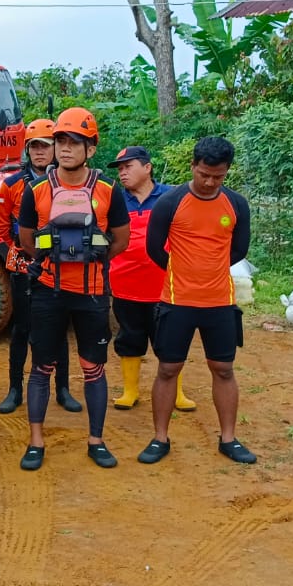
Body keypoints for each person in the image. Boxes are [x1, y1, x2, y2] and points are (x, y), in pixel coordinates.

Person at [15, 107, 130, 470]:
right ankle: (36, 442)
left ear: (90, 149)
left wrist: (92, 258)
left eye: (74, 142)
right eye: (60, 141)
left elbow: (122, 240)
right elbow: (27, 239)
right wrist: (55, 260)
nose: (65, 148)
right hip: (48, 290)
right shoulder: (36, 190)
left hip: (92, 293)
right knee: (41, 366)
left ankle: (96, 440)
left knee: (93, 367)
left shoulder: (109, 191)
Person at [139, 136, 256, 466]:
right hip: (177, 302)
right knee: (167, 369)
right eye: (204, 174)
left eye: (218, 176)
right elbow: (154, 248)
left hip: (219, 302)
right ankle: (160, 439)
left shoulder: (236, 205)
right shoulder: (170, 202)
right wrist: (184, 272)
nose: (209, 182)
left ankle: (229, 439)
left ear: (226, 172)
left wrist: (210, 272)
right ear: (193, 166)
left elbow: (239, 250)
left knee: (223, 369)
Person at [0, 118, 77, 414]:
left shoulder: (70, 182)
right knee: (22, 329)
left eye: (46, 146)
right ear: (27, 150)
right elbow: (1, 226)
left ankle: (63, 389)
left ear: (56, 149)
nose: (40, 152)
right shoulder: (12, 184)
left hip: (62, 265)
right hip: (24, 265)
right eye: (34, 147)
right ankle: (15, 389)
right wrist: (22, 248)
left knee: (59, 328)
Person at [108, 146, 197, 413]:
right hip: (124, 284)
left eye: (128, 166)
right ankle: (130, 391)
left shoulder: (172, 197)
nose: (123, 172)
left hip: (166, 286)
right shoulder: (115, 200)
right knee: (129, 337)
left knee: (171, 341)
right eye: (120, 168)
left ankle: (177, 392)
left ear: (147, 168)